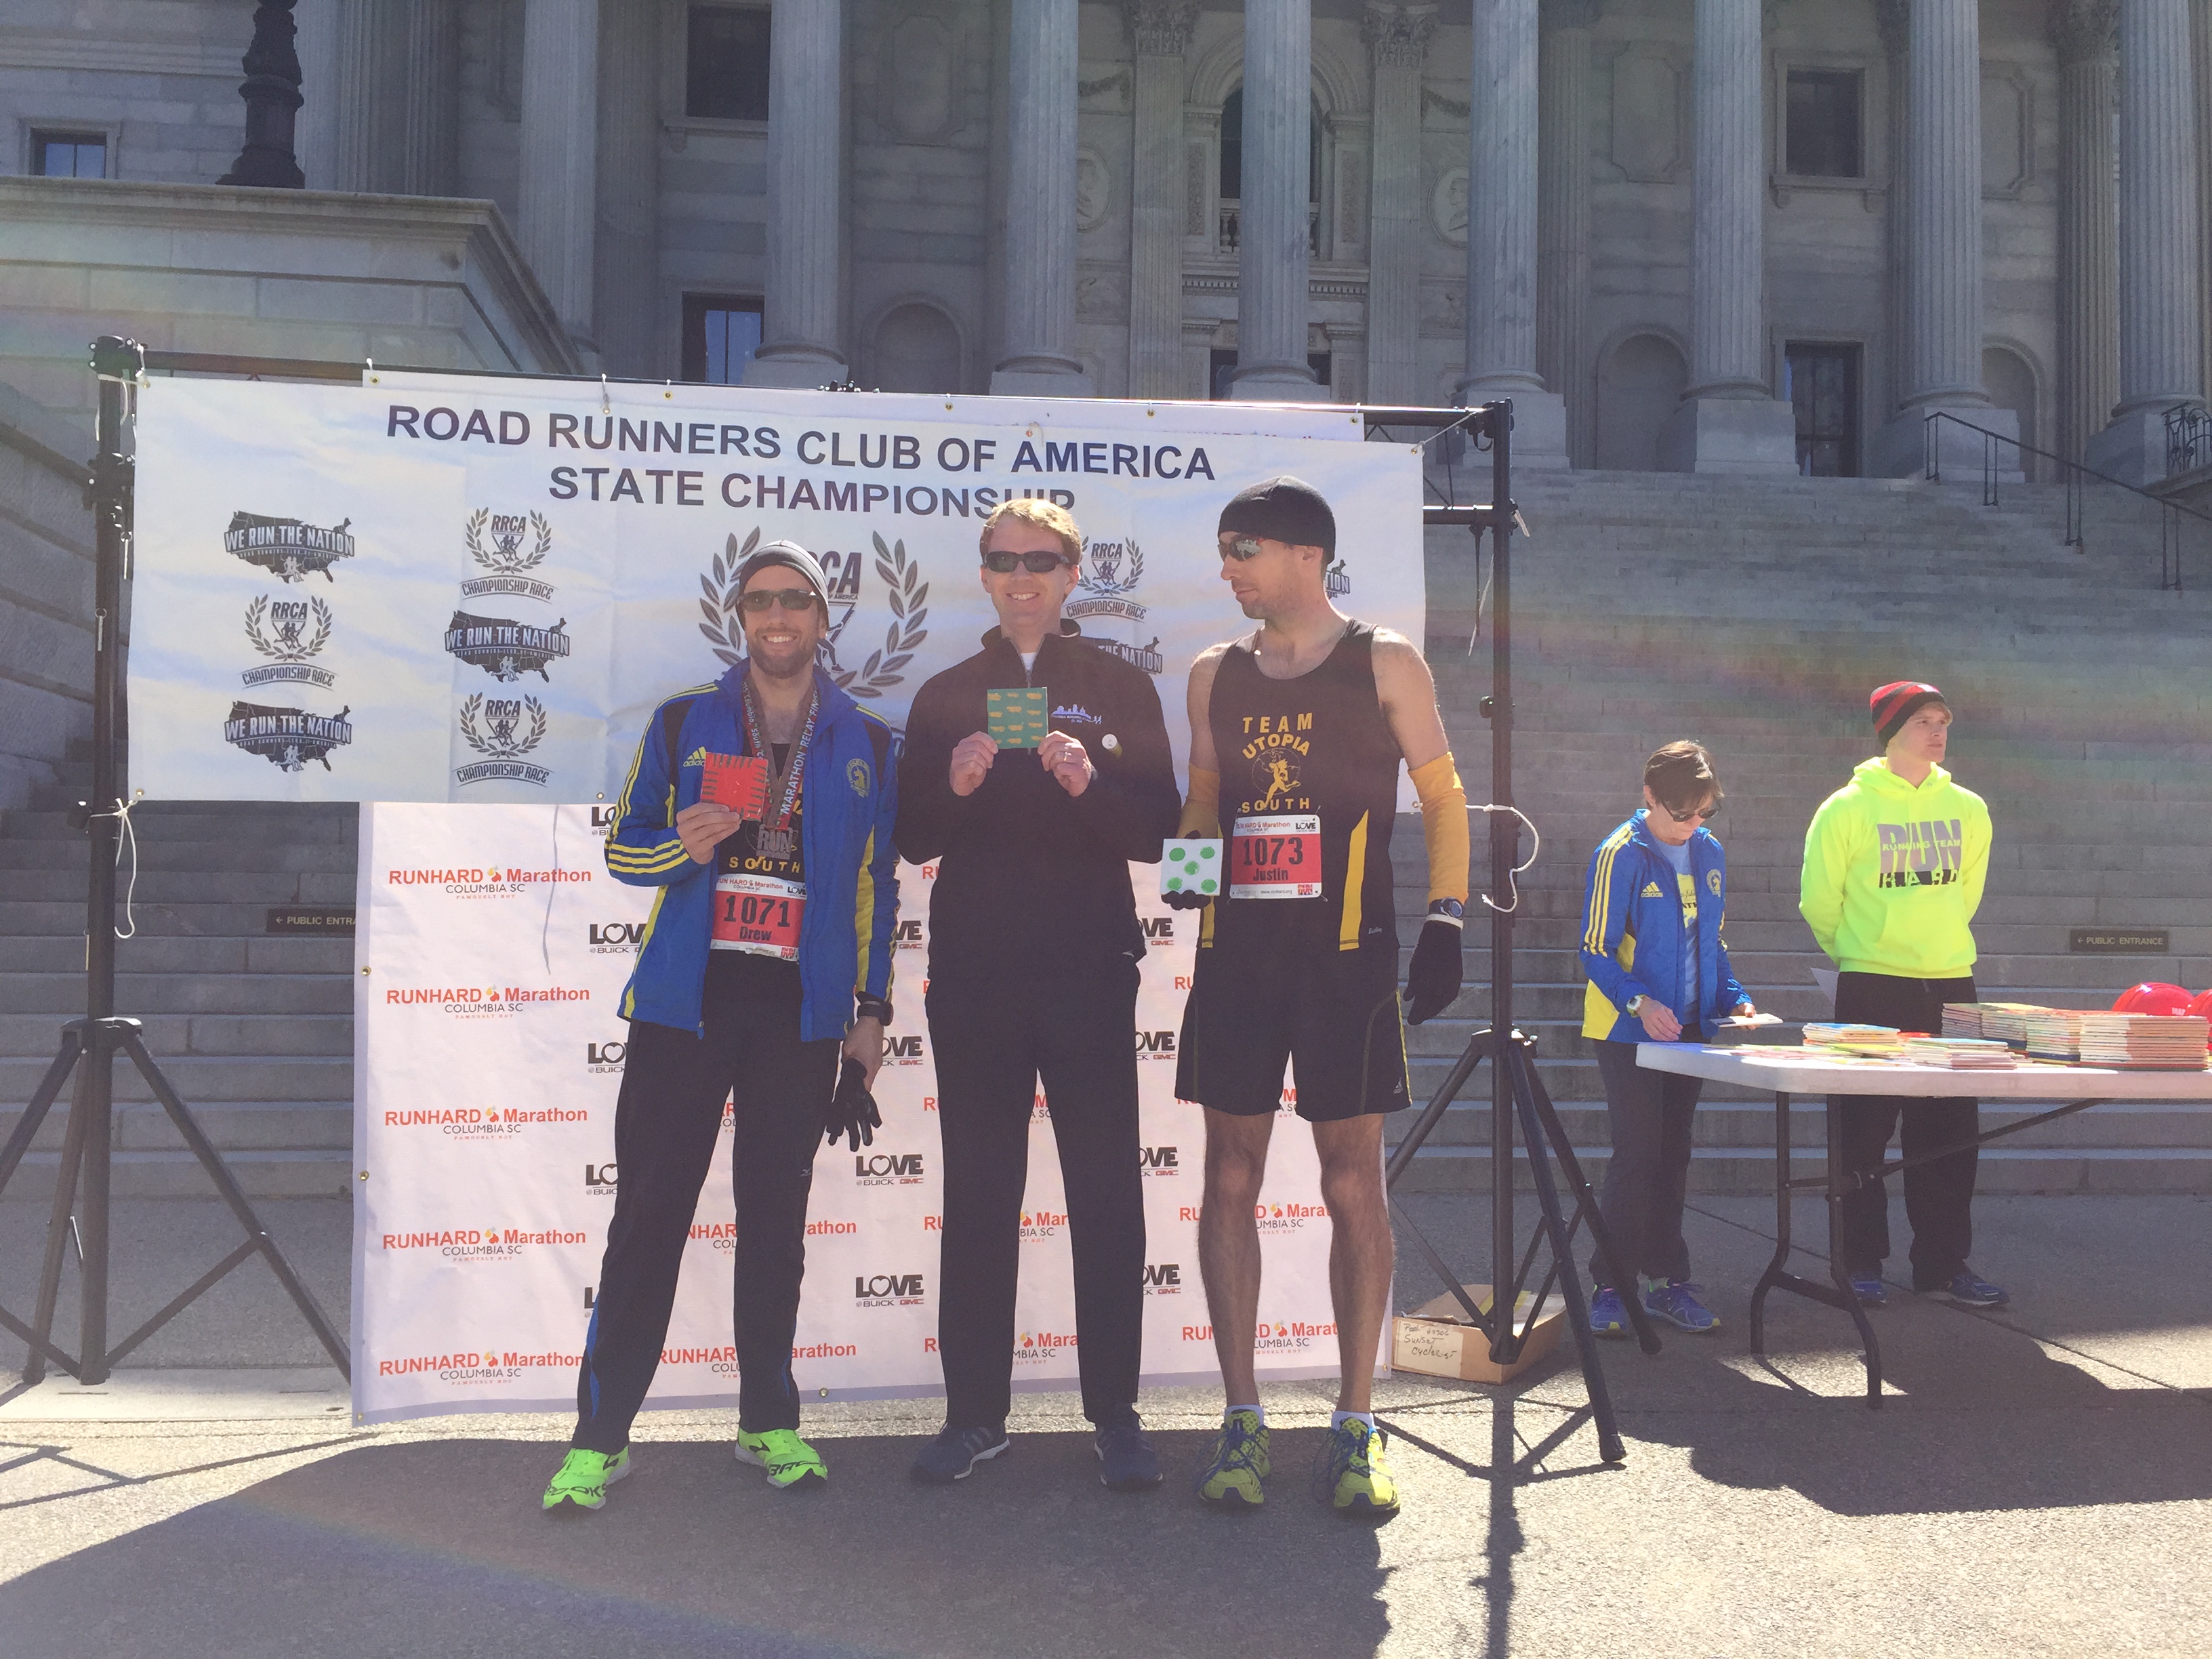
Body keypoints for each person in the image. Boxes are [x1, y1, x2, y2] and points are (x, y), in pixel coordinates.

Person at [542, 541, 901, 1515]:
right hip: (687, 1005)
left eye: (796, 601)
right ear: (740, 616)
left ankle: (768, 1422)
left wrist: (871, 1014)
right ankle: (599, 1439)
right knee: (648, 1217)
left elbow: (876, 889)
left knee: (775, 1225)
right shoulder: (684, 720)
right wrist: (680, 844)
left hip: (799, 1012)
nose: (778, 617)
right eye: (761, 601)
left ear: (822, 618)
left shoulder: (869, 742)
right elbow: (623, 848)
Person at [1169, 475, 1469, 1520]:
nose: (1227, 569)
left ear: (1306, 554)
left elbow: (1442, 793)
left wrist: (1446, 919)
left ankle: (1354, 1422)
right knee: (1230, 1176)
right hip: (1239, 957)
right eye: (1223, 550)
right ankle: (1241, 1416)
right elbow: (1207, 793)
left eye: (1242, 549)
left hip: (1347, 959)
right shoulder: (1213, 672)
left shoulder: (1384, 658)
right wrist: (1190, 871)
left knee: (1352, 1184)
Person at [895, 498, 1181, 1491]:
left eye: (1042, 561)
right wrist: (955, 785)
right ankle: (975, 1416)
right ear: (984, 574)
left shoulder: (1117, 685)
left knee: (1106, 1192)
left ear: (1071, 575)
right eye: (1005, 561)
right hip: (974, 979)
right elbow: (911, 838)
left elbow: (1158, 832)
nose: (1023, 577)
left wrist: (1088, 784)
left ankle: (1118, 1416)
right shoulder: (946, 694)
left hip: (1088, 974)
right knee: (979, 1193)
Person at [1801, 681, 2004, 1309]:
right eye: (1923, 721)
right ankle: (1860, 1263)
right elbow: (1819, 901)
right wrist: (1863, 956)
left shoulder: (1969, 807)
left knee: (1950, 1133)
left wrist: (1934, 947)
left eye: (1943, 721)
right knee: (1862, 1130)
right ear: (1891, 731)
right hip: (1872, 983)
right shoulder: (1846, 808)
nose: (1938, 731)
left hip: (1951, 984)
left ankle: (1943, 1264)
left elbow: (1967, 893)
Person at [1577, 741, 1755, 1338]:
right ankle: (1610, 1285)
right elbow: (1594, 949)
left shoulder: (1709, 851)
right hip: (1627, 1027)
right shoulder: (1619, 854)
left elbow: (1711, 944)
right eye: (1682, 813)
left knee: (1674, 1152)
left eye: (1706, 811)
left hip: (1690, 1028)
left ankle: (1666, 1280)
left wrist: (1735, 998)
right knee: (1638, 1154)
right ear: (1649, 797)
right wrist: (1639, 1001)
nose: (1694, 823)